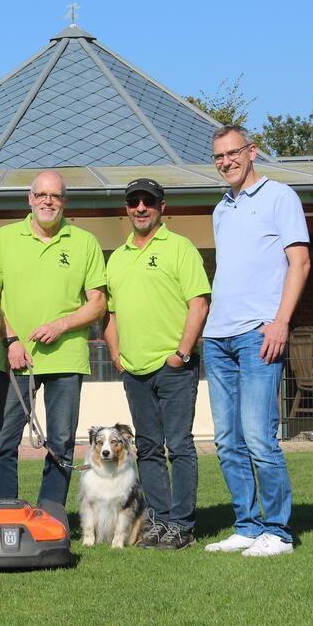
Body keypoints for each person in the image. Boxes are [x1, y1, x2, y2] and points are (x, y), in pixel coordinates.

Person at [203, 126, 310, 558]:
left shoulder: (280, 197)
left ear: (252, 152)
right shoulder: (220, 210)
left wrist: (281, 321)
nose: (226, 161)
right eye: (218, 157)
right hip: (217, 336)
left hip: (258, 335)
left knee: (258, 436)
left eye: (233, 153)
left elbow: (299, 262)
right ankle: (246, 526)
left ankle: (278, 532)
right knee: (227, 440)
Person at [0, 170, 106, 506]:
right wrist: (11, 340)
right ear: (30, 199)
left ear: (64, 202)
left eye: (55, 196)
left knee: (61, 441)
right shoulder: (4, 239)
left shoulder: (85, 242)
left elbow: (98, 304)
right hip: (17, 358)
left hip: (67, 358)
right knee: (4, 440)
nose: (48, 202)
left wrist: (62, 325)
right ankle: (3, 513)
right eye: (42, 195)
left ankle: (51, 516)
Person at [103, 178, 210, 549]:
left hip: (174, 368)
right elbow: (110, 312)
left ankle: (182, 525)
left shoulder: (179, 248)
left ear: (162, 207)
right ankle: (159, 521)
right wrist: (116, 355)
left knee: (179, 445)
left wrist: (181, 353)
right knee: (147, 448)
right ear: (127, 208)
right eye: (134, 202)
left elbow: (199, 303)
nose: (141, 208)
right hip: (134, 371)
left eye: (148, 201)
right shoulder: (117, 257)